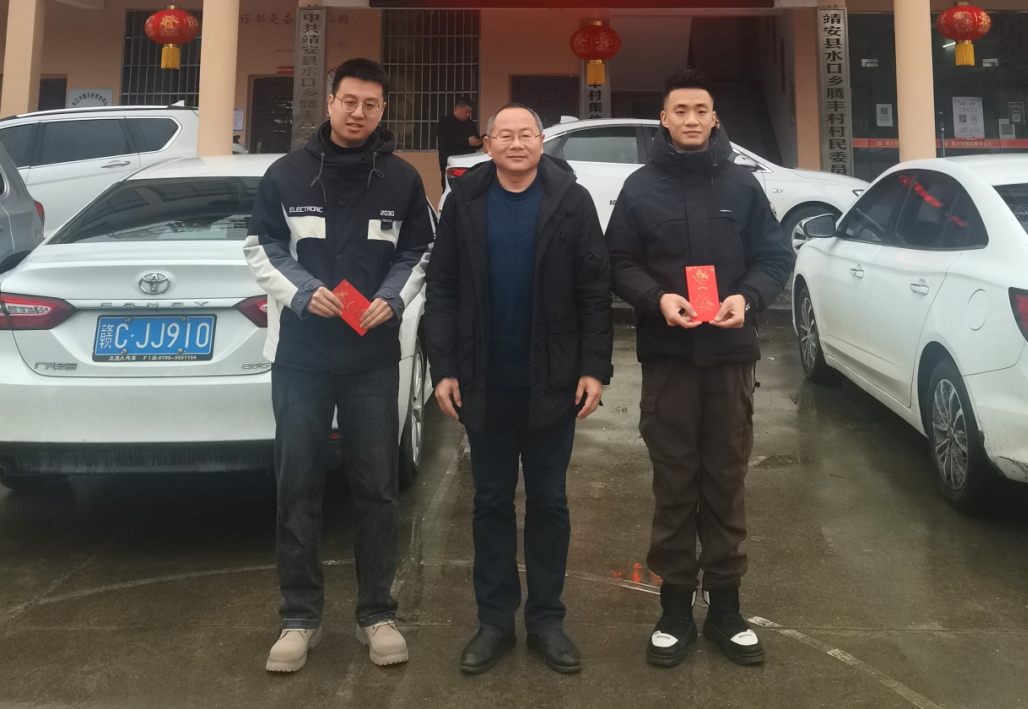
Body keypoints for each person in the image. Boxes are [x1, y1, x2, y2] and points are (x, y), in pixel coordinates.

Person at [244, 57, 435, 673]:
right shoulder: (286, 174)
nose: (358, 112)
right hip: (300, 356)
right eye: (348, 101)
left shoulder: (401, 179)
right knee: (297, 485)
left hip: (371, 357)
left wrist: (392, 299)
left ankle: (377, 614)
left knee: (376, 489)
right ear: (329, 102)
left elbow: (419, 251)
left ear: (383, 110)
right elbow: (261, 246)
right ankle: (298, 618)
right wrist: (302, 290)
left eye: (370, 104)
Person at [605, 70, 794, 669]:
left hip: (730, 356)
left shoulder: (743, 185)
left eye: (701, 110)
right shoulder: (640, 188)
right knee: (675, 479)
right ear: (664, 119)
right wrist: (657, 298)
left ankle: (727, 609)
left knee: (726, 477)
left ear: (715, 118)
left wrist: (749, 297)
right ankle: (674, 608)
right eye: (680, 110)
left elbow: (774, 255)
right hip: (670, 358)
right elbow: (618, 260)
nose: (691, 119)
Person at [426, 104, 613, 676]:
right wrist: (444, 367)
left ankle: (547, 621)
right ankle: (494, 622)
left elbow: (594, 289)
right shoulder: (465, 200)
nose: (515, 143)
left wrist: (594, 367)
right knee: (490, 502)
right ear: (487, 143)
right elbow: (443, 287)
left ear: (541, 141)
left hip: (552, 380)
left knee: (550, 502)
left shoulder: (571, 200)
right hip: (484, 380)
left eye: (525, 134)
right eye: (503, 135)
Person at [436, 98, 482, 187]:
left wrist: (479, 142)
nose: (468, 115)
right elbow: (445, 142)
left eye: (470, 112)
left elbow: (475, 139)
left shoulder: (470, 124)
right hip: (451, 165)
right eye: (466, 111)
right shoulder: (444, 123)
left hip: (468, 165)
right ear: (457, 108)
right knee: (451, 190)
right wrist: (466, 141)